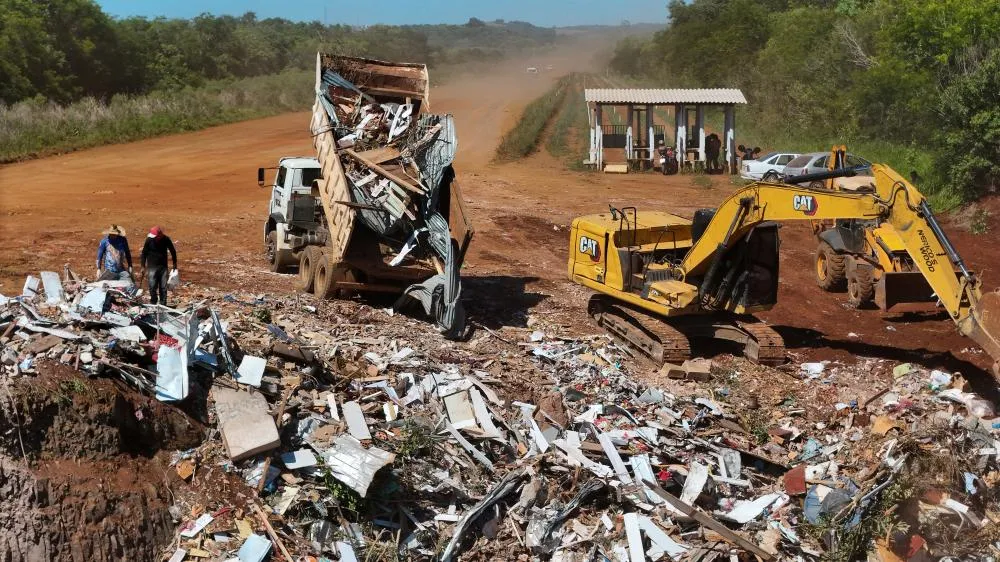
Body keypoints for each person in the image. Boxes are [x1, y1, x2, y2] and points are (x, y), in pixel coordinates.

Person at [139, 226, 178, 306]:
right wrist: (143, 266)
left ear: (160, 235)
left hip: (163, 267)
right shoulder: (149, 240)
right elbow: (144, 253)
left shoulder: (166, 239)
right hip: (152, 267)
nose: (154, 238)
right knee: (152, 286)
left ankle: (163, 304)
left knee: (163, 287)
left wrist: (174, 264)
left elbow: (173, 251)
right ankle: (153, 302)